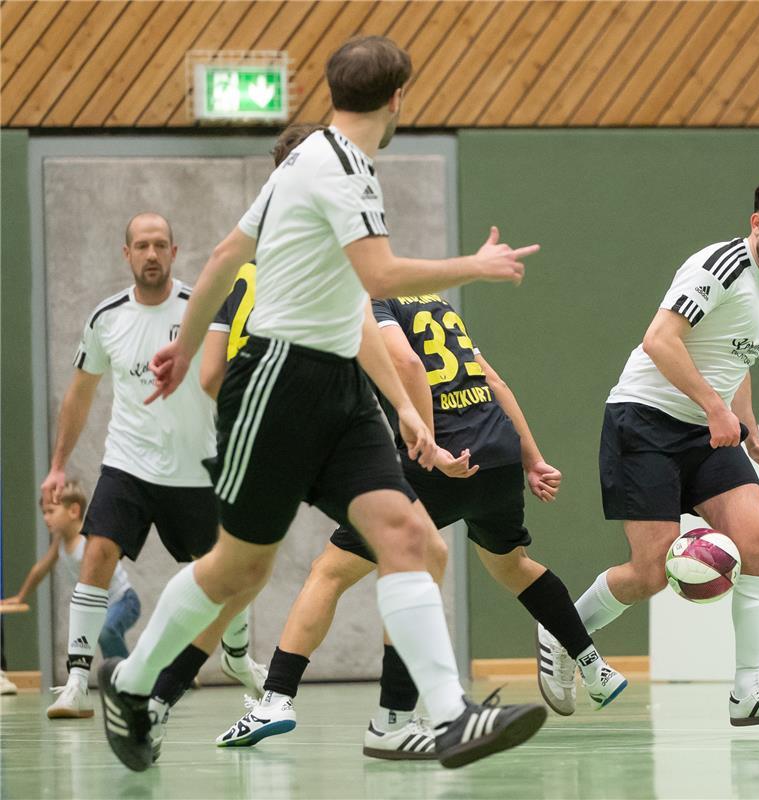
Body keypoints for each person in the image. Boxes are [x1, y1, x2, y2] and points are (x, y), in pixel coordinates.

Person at [98, 35, 545, 773]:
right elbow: (380, 273)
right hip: (278, 384)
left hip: (339, 389)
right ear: (399, 97)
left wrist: (401, 404)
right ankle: (135, 684)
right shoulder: (336, 168)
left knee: (411, 539)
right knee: (237, 570)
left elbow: (341, 299)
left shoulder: (323, 159)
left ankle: (448, 717)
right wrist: (477, 265)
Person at [210, 287, 624, 755]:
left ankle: (282, 700)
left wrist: (430, 447)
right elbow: (496, 383)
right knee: (512, 565)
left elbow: (407, 366)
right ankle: (593, 666)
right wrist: (532, 459)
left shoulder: (371, 305)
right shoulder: (436, 303)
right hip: (498, 453)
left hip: (441, 458)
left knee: (332, 572)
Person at [540, 176, 759, 727]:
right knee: (650, 572)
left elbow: (734, 363)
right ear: (757, 223)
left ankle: (749, 690)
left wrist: (753, 434)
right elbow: (659, 340)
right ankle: (561, 631)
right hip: (643, 422)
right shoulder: (720, 267)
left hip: (707, 430)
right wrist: (716, 411)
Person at [41, 212, 266, 721]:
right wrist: (58, 465)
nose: (150, 254)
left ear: (174, 251)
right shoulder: (107, 318)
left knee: (226, 572)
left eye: (160, 245)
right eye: (141, 245)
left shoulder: (202, 307)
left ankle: (236, 657)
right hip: (128, 464)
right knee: (98, 553)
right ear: (127, 254)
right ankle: (76, 682)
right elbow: (80, 394)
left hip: (196, 468)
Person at [0, 482, 140, 714]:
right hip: (102, 607)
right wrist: (20, 596)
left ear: (74, 511)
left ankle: (129, 682)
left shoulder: (88, 541)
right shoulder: (60, 544)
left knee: (106, 632)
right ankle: (130, 674)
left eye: (51, 511)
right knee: (91, 637)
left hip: (124, 600)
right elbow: (40, 569)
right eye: (43, 512)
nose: (46, 518)